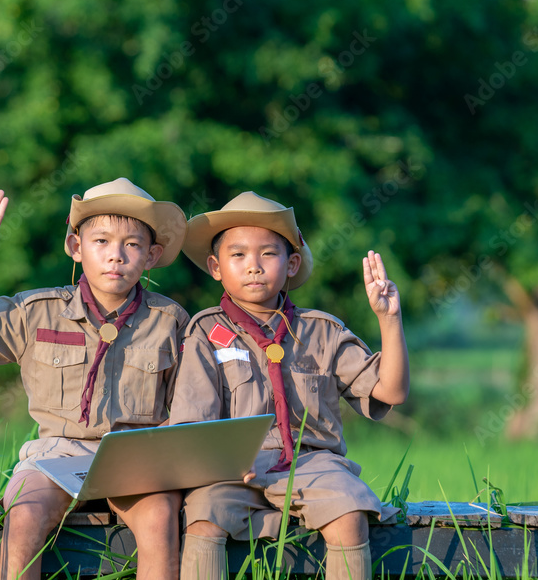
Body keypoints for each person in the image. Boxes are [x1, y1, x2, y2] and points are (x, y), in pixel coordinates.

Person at [0, 178, 189, 580]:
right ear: (75, 247)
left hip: (135, 456)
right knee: (23, 516)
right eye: (100, 241)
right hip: (55, 455)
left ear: (152, 255)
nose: (116, 256)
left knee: (160, 516)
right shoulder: (38, 311)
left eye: (132, 245)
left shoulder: (169, 321)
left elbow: (184, 411)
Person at [170, 192, 410, 580]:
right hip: (233, 468)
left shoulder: (322, 330)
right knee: (203, 517)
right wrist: (225, 460)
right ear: (215, 266)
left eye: (268, 254)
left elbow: (391, 392)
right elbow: (192, 422)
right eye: (238, 256)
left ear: (291, 262)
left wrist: (389, 319)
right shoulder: (204, 332)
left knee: (350, 512)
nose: (253, 267)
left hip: (313, 464)